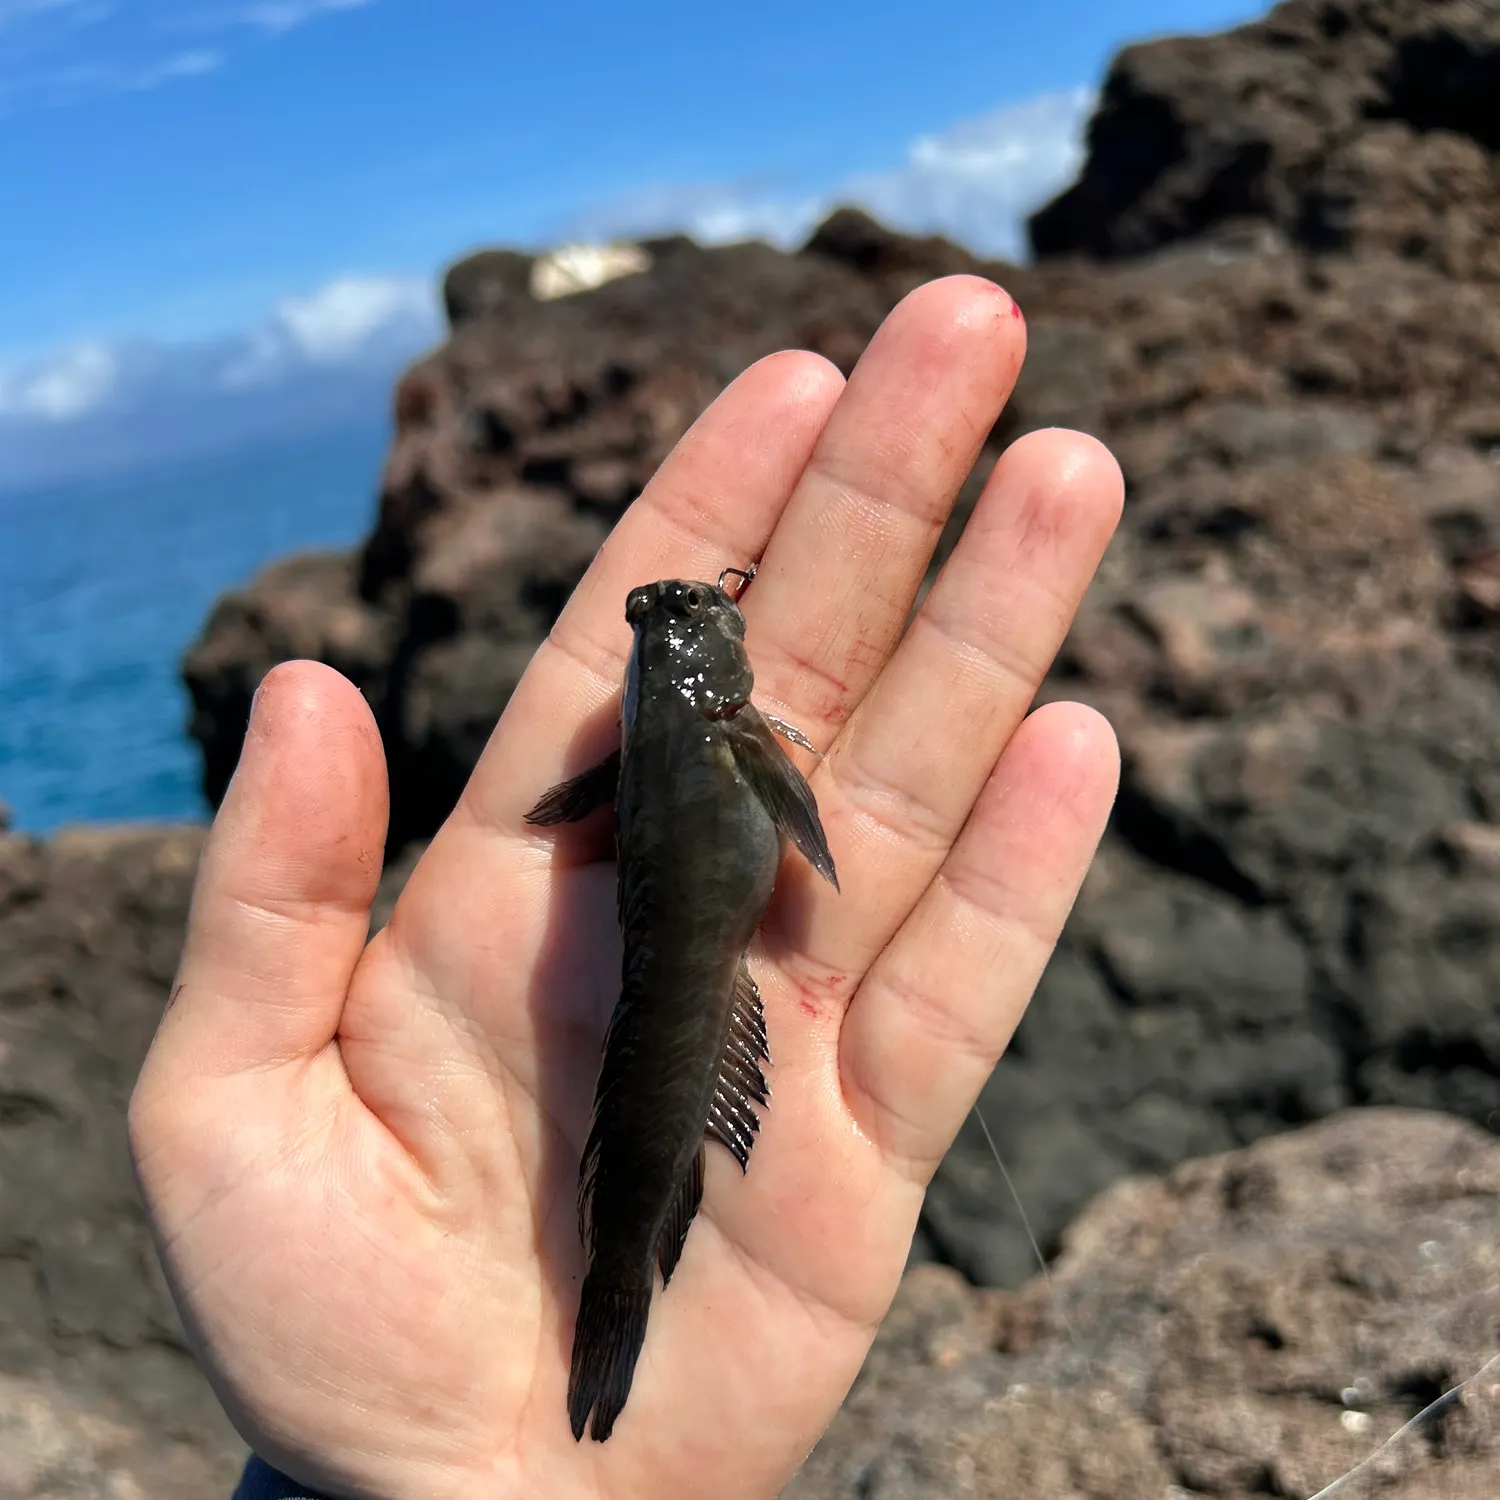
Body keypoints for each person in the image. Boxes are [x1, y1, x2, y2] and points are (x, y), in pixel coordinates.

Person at [128, 275, 1124, 1500]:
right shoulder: (730, 730)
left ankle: (620, 1282)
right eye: (668, 619)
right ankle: (616, 1288)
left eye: (679, 617)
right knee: (663, 1096)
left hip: (685, 952)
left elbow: (585, 802)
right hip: (685, 956)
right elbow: (779, 820)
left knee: (668, 1080)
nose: (680, 618)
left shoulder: (659, 735)